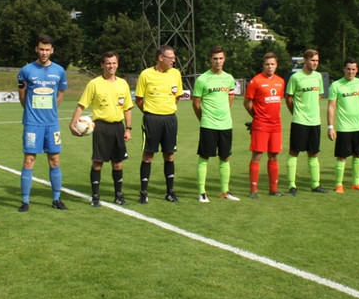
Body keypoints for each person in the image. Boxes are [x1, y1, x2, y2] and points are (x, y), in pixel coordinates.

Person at [70, 51, 132, 207]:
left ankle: (118, 195)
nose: (111, 66)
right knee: (98, 163)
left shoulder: (123, 83)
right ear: (102, 65)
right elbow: (82, 104)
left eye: (114, 63)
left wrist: (128, 128)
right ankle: (95, 197)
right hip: (101, 128)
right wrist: (73, 123)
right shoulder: (94, 84)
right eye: (108, 63)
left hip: (118, 126)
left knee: (118, 164)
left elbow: (128, 108)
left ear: (117, 64)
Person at [18, 34, 68, 211]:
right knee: (29, 160)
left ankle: (56, 199)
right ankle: (25, 201)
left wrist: (52, 108)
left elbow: (61, 92)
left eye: (47, 49)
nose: (44, 52)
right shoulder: (26, 70)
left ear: (52, 50)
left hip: (52, 124)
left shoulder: (59, 71)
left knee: (54, 159)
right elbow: (22, 95)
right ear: (36, 49)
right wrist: (31, 110)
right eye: (41, 49)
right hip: (32, 123)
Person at [135, 45, 183, 204]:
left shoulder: (176, 74)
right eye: (170, 57)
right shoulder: (146, 74)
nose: (173, 60)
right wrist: (151, 112)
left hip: (170, 118)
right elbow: (139, 99)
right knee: (148, 155)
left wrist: (166, 109)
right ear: (160, 58)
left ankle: (170, 192)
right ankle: (143, 192)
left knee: (169, 154)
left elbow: (177, 97)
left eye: (174, 57)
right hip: (152, 119)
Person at [191, 46, 238, 202]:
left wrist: (222, 113)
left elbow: (230, 98)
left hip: (225, 125)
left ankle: (225, 191)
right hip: (208, 125)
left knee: (225, 158)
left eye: (221, 58)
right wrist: (204, 119)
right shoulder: (203, 79)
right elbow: (196, 104)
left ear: (224, 59)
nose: (218, 61)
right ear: (210, 60)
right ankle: (201, 192)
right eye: (215, 58)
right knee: (204, 157)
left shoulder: (229, 78)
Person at [326, 59, 359, 194]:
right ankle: (339, 185)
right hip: (343, 128)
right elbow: (331, 106)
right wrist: (330, 126)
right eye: (348, 69)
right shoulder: (336, 85)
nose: (351, 72)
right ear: (344, 69)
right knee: (342, 156)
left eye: (353, 69)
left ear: (357, 70)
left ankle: (356, 183)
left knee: (358, 155)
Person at [284, 49, 327, 194]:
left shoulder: (318, 77)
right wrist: (296, 112)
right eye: (312, 60)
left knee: (313, 153)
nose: (315, 63)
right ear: (305, 60)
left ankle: (315, 185)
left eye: (317, 60)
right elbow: (288, 98)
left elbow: (319, 95)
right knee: (294, 151)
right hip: (300, 121)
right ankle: (292, 185)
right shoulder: (296, 77)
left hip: (315, 122)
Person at [244, 52, 285, 198]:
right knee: (257, 155)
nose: (270, 67)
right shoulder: (255, 81)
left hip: (276, 125)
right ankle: (253, 190)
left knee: (274, 156)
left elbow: (277, 100)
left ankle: (274, 189)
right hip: (261, 124)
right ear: (263, 65)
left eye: (272, 64)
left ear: (276, 65)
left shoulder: (280, 81)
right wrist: (256, 116)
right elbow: (247, 102)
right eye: (267, 64)